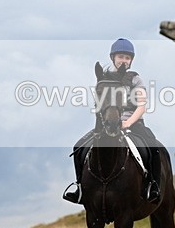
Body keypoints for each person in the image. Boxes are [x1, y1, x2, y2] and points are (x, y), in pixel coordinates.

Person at [63, 38, 161, 204]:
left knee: (154, 148)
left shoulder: (135, 79)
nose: (124, 60)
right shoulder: (103, 76)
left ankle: (152, 186)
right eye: (121, 56)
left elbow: (141, 106)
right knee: (79, 147)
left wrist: (127, 123)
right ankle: (80, 187)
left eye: (127, 58)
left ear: (131, 60)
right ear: (113, 57)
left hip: (132, 123)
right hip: (106, 124)